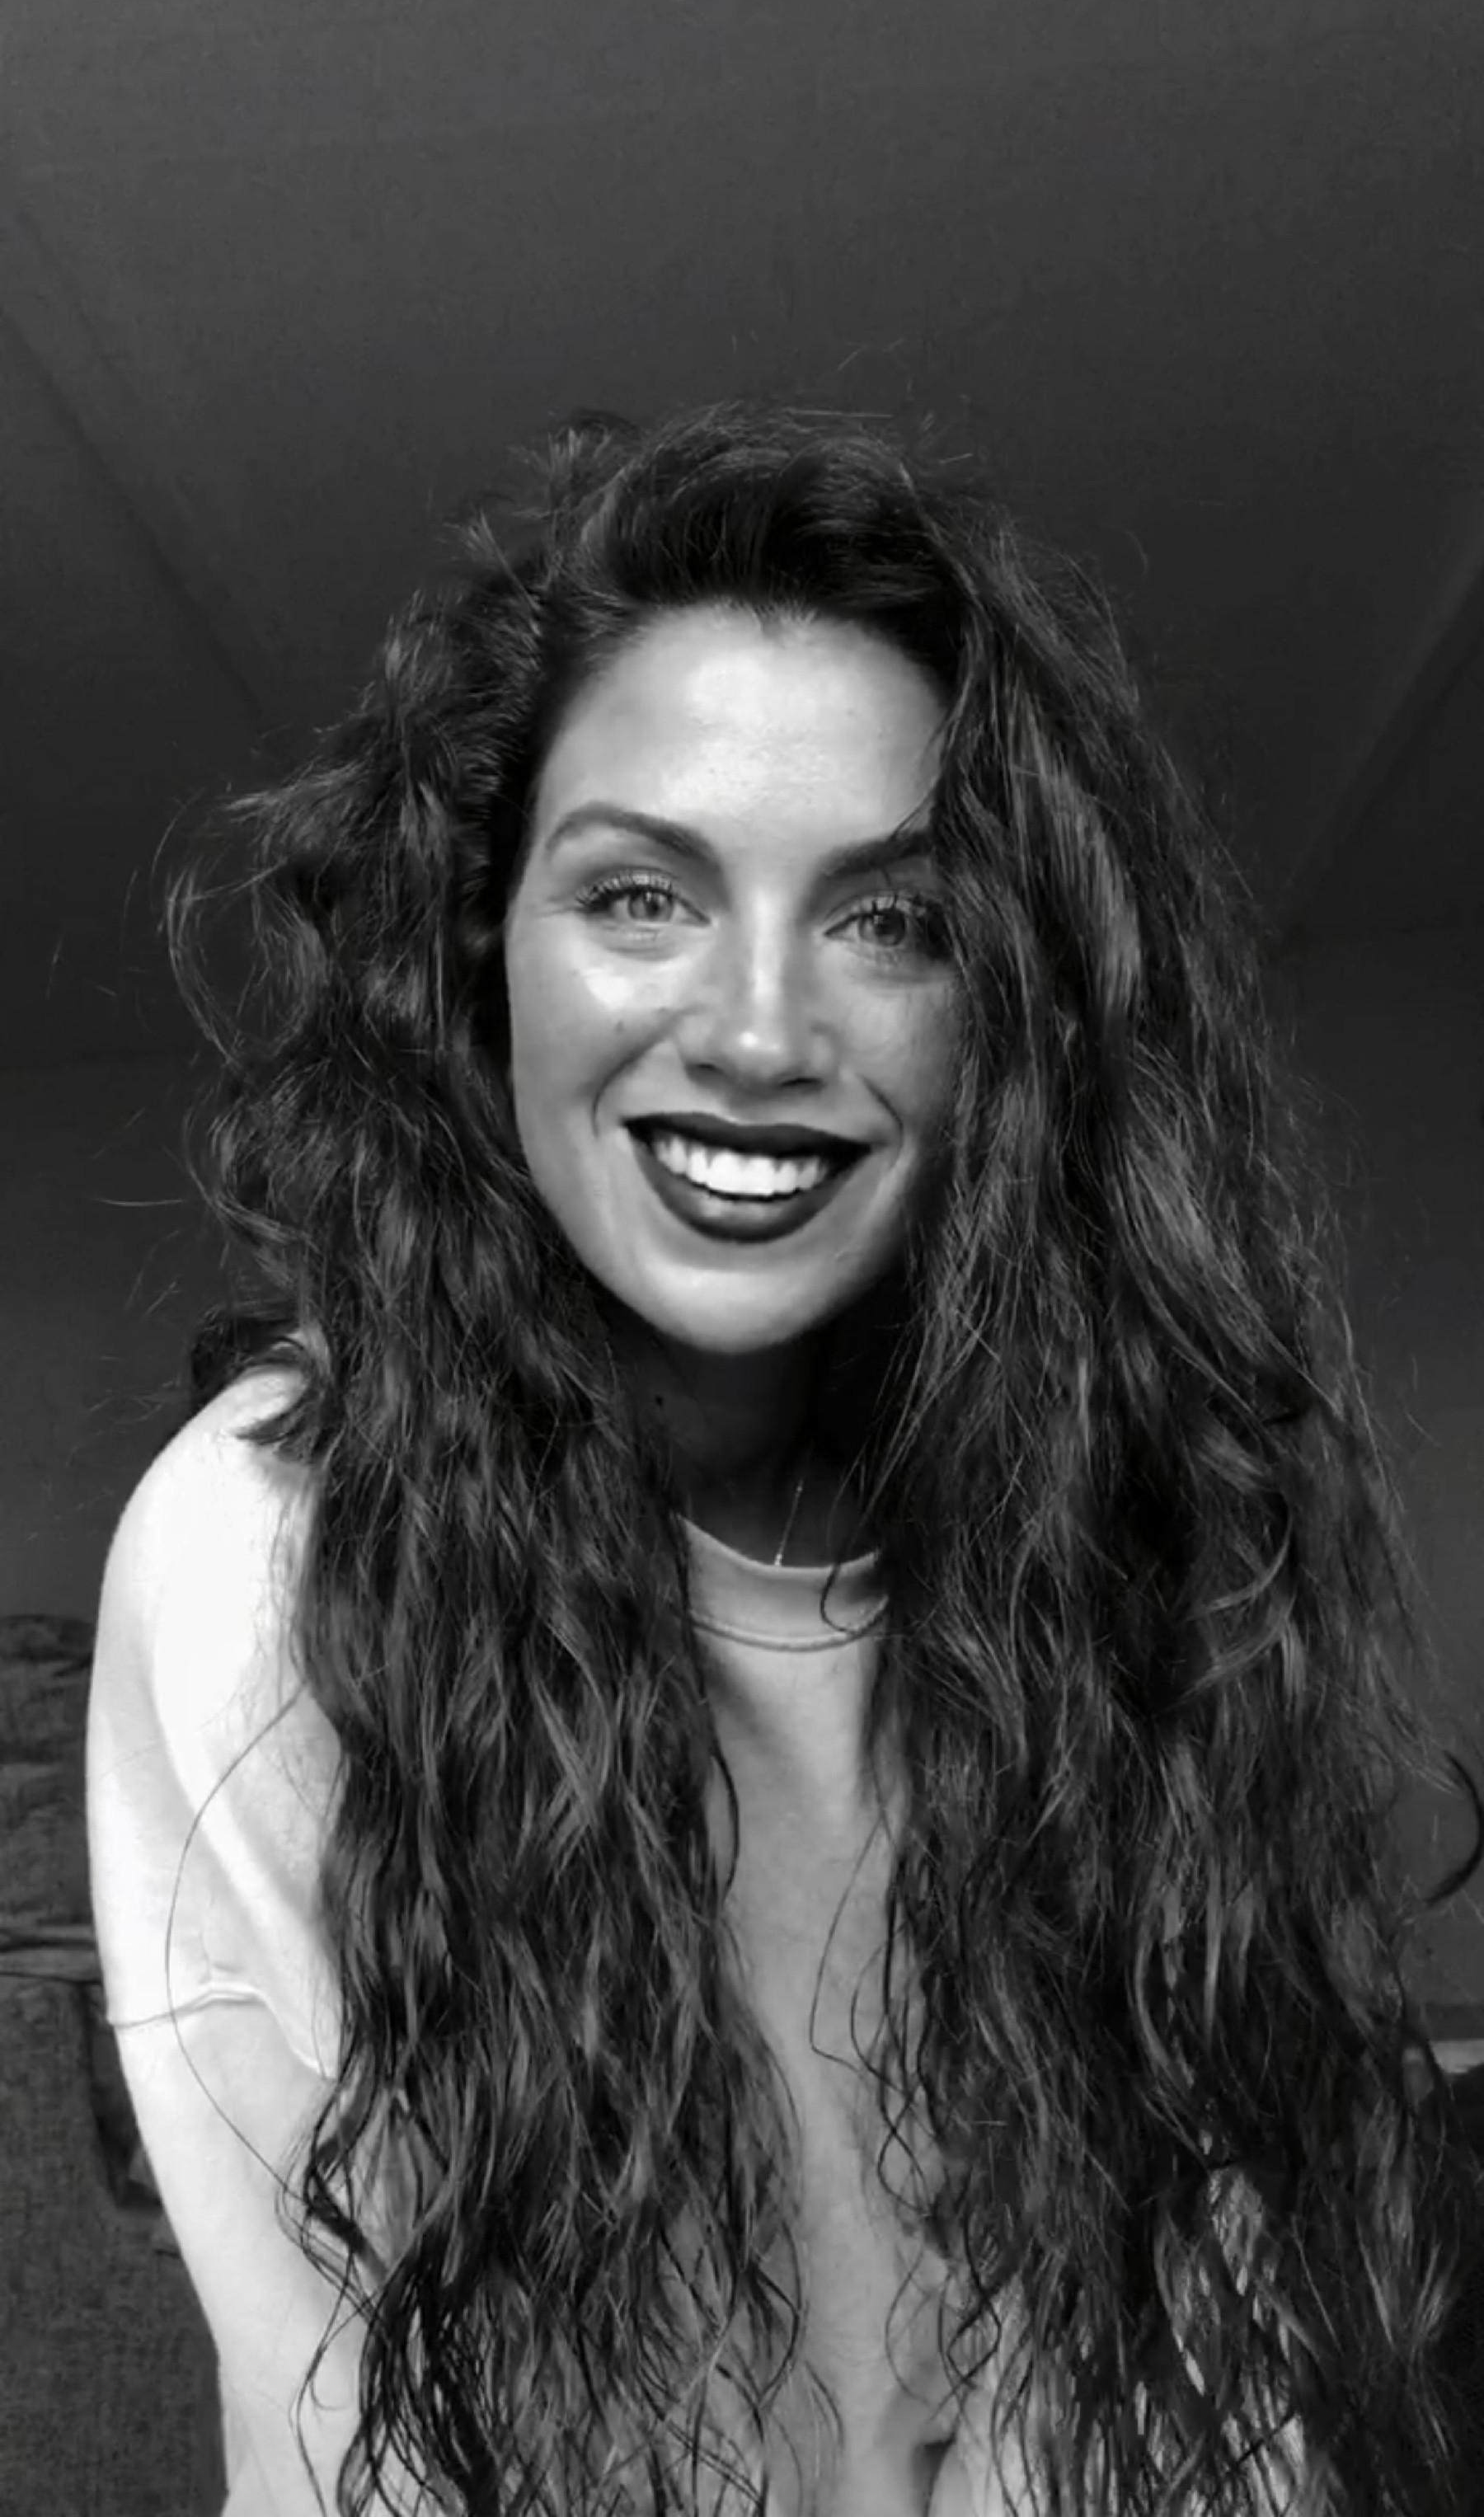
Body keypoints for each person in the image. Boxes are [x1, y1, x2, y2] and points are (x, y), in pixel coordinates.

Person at [85, 398, 1484, 2516]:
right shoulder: (265, 1551)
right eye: (639, 893)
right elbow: (363, 2425)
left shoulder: (1124, 1508)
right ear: (484, 956)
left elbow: (1194, 2350)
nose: (756, 1031)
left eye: (890, 920)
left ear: (1008, 1010)